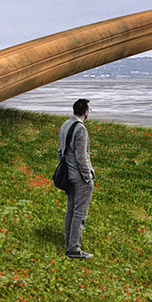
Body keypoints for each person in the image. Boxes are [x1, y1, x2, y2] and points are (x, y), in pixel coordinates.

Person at [59, 98, 96, 259]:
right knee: (80, 213)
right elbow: (82, 156)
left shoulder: (65, 125)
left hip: (68, 175)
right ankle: (74, 249)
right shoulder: (81, 129)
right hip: (79, 177)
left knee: (71, 210)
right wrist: (87, 175)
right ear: (85, 111)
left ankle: (69, 243)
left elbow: (60, 152)